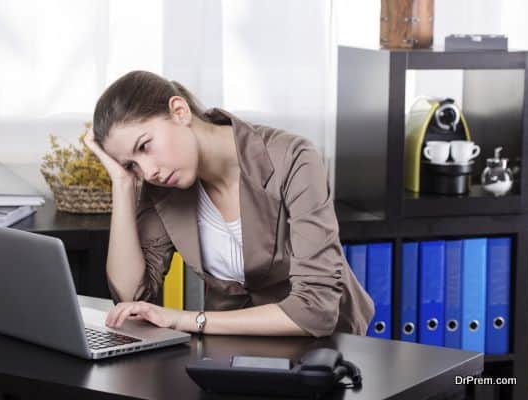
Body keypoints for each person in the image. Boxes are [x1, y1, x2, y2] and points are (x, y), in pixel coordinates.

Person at [85, 71, 374, 337]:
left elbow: (316, 310)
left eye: (145, 146)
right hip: (233, 348)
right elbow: (132, 298)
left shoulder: (293, 158)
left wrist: (185, 320)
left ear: (179, 111)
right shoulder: (162, 187)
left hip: (327, 348)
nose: (149, 172)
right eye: (132, 164)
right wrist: (122, 184)